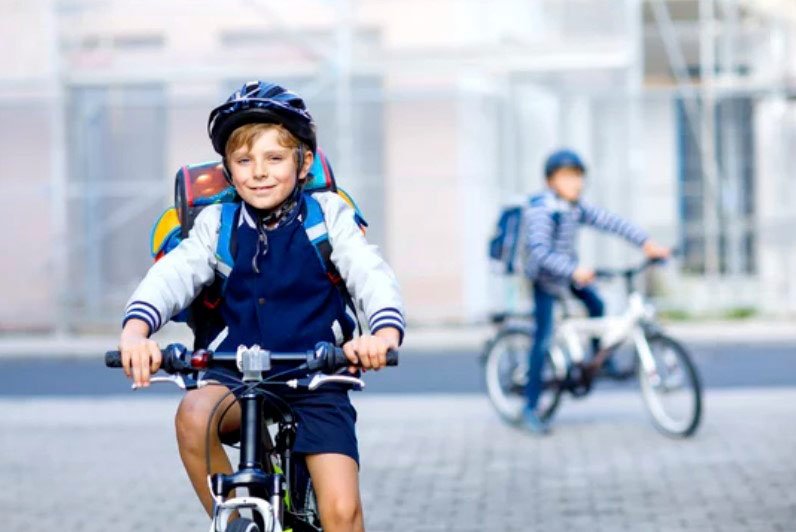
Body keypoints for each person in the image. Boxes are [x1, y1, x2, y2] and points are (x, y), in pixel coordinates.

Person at [117, 81, 405, 532]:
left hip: (315, 377)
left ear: (303, 162)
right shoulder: (218, 223)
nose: (259, 172)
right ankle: (239, 515)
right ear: (229, 172)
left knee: (342, 515)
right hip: (234, 374)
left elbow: (369, 272)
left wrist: (382, 334)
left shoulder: (327, 216)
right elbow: (174, 274)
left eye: (275, 158)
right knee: (193, 414)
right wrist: (136, 330)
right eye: (244, 161)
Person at [521, 148, 669, 435]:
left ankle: (600, 359)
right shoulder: (541, 209)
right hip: (546, 279)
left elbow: (611, 222)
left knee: (597, 305)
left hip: (569, 274)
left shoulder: (575, 208)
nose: (576, 183)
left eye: (578, 177)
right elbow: (539, 252)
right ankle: (530, 407)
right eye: (567, 177)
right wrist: (573, 270)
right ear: (551, 181)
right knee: (542, 339)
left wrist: (646, 243)